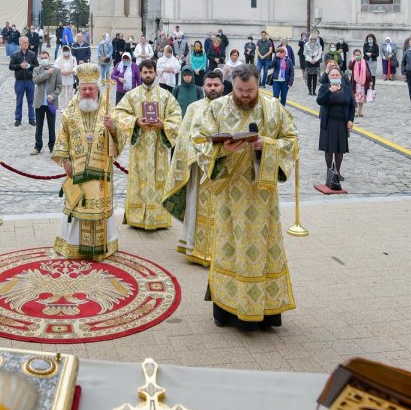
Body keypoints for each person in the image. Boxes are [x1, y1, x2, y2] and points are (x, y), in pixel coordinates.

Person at [195, 64, 297, 329]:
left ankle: (265, 311)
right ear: (233, 85)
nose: (244, 95)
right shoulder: (217, 109)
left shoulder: (274, 108)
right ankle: (226, 310)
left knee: (262, 251)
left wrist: (268, 145)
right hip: (229, 196)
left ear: (258, 85)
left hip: (262, 198)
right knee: (229, 249)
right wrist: (224, 150)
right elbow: (199, 141)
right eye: (239, 90)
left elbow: (292, 140)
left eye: (249, 91)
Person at [52, 63, 121, 259]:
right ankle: (73, 246)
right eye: (84, 89)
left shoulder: (108, 110)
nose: (88, 92)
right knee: (77, 206)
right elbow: (62, 137)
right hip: (77, 170)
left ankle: (102, 246)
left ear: (97, 90)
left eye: (91, 88)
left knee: (99, 207)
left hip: (101, 174)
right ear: (79, 89)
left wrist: (113, 127)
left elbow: (121, 137)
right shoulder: (69, 112)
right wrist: (65, 160)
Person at [163, 70, 224, 266]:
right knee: (197, 207)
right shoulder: (194, 108)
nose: (212, 88)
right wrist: (199, 153)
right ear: (203, 86)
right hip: (198, 168)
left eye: (216, 85)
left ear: (222, 86)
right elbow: (183, 138)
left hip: (223, 168)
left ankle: (221, 251)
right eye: (209, 85)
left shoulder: (229, 106)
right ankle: (194, 247)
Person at [113, 60, 181, 230]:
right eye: (145, 72)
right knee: (140, 180)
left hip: (159, 147)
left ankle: (158, 218)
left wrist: (164, 125)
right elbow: (119, 113)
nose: (148, 75)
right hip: (140, 147)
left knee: (159, 180)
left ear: (155, 73)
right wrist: (135, 121)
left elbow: (176, 115)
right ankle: (137, 218)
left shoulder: (166, 96)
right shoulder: (132, 95)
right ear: (140, 74)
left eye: (151, 72)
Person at [317, 62, 356, 188]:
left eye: (336, 75)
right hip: (328, 122)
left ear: (340, 76)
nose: (334, 76)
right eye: (332, 75)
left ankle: (337, 171)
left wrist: (351, 119)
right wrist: (329, 91)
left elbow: (351, 105)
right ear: (329, 77)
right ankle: (329, 170)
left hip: (342, 123)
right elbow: (320, 101)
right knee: (329, 148)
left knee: (340, 149)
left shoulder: (347, 88)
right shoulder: (324, 87)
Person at [32, 49, 62, 155]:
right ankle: (37, 146)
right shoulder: (36, 69)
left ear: (49, 58)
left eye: (45, 58)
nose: (44, 60)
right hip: (39, 103)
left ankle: (52, 146)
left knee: (51, 126)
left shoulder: (57, 70)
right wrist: (47, 73)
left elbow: (59, 87)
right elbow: (36, 80)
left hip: (51, 104)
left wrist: (53, 96)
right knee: (39, 126)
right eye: (42, 58)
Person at [9, 35, 36, 126]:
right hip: (19, 81)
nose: (26, 44)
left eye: (27, 42)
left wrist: (30, 66)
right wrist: (19, 66)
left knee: (31, 101)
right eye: (24, 43)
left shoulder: (32, 54)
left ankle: (31, 118)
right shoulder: (15, 54)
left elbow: (37, 66)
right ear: (20, 43)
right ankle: (18, 119)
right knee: (19, 100)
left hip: (29, 80)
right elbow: (11, 66)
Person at [269, 40, 295, 106]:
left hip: (285, 82)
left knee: (283, 97)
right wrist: (275, 57)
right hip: (276, 81)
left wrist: (290, 82)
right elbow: (270, 66)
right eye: (279, 52)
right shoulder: (276, 59)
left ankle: (282, 109)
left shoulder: (289, 61)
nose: (280, 53)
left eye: (282, 52)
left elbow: (292, 72)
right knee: (275, 96)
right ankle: (275, 109)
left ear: (285, 53)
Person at [349, 48, 374, 118]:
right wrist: (354, 61)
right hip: (355, 82)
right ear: (354, 55)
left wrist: (371, 80)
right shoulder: (352, 61)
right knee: (356, 97)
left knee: (362, 98)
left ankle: (360, 111)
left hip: (363, 82)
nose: (357, 56)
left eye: (359, 55)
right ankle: (356, 111)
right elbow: (350, 67)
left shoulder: (364, 62)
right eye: (356, 55)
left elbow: (368, 71)